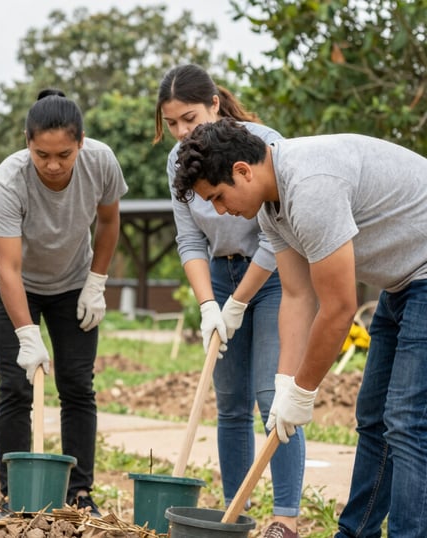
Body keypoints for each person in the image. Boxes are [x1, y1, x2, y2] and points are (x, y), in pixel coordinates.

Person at [172, 117, 427, 538]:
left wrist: (305, 391)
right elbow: (297, 296)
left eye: (218, 197)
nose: (220, 211)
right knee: (373, 417)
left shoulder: (309, 187)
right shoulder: (273, 208)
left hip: (421, 275)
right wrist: (285, 384)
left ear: (242, 170)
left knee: (406, 419)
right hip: (403, 282)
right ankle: (355, 533)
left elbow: (340, 306)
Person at [154, 65, 304, 538]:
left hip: (276, 273)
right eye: (172, 122)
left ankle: (285, 517)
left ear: (216, 104)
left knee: (270, 395)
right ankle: (233, 516)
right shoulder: (180, 160)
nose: (181, 132)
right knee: (231, 402)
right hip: (219, 275)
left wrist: (238, 302)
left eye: (190, 117)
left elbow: (274, 237)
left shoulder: (262, 144)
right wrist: (207, 304)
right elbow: (189, 240)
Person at [0, 88, 128, 517]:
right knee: (14, 388)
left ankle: (79, 493)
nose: (51, 165)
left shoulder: (101, 161)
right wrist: (27, 334)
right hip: (15, 283)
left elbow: (108, 220)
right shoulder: (8, 180)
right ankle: (13, 495)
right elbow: (8, 268)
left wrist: (96, 282)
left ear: (81, 142)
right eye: (41, 153)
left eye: (63, 154)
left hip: (73, 282)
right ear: (27, 142)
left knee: (78, 386)